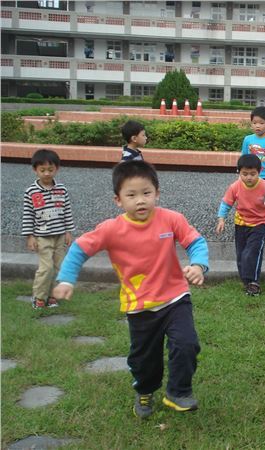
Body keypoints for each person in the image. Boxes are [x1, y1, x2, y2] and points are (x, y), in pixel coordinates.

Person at [52, 160, 209, 419]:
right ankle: (145, 390)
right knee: (145, 359)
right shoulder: (112, 229)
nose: (140, 201)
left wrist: (199, 265)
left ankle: (178, 392)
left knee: (186, 344)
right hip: (140, 306)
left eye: (146, 193)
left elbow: (195, 241)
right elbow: (80, 248)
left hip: (175, 298)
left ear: (157, 193)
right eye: (131, 195)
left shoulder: (171, 219)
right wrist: (67, 279)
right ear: (118, 200)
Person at [22, 149, 74, 309]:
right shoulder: (31, 192)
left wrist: (68, 231)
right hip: (42, 237)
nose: (46, 173)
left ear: (57, 169)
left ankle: (52, 296)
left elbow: (67, 211)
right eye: (42, 170)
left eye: (50, 170)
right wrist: (30, 236)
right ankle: (39, 297)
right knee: (46, 268)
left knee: (60, 267)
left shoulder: (62, 189)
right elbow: (28, 215)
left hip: (60, 236)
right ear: (35, 170)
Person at [216, 154, 265, 295]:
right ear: (238, 172)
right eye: (245, 174)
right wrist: (221, 219)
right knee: (241, 253)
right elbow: (226, 203)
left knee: (252, 252)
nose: (249, 177)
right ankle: (245, 279)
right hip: (241, 223)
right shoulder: (235, 186)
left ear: (260, 171)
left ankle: (253, 282)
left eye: (253, 174)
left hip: (260, 224)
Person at [241, 106, 265, 180]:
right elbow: (243, 158)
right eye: (254, 123)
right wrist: (241, 172)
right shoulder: (247, 139)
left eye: (261, 123)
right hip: (250, 176)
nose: (257, 126)